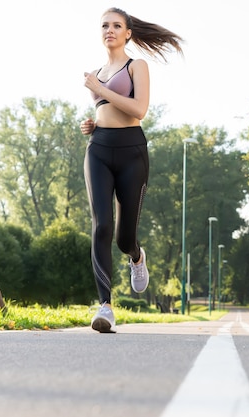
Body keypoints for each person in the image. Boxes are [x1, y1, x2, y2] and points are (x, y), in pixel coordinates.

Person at [80, 7, 183, 333]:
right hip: (98, 149)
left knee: (124, 238)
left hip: (132, 152)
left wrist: (100, 87)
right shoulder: (97, 73)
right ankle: (105, 307)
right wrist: (92, 124)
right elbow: (106, 110)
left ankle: (136, 257)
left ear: (128, 33)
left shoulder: (136, 65)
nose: (109, 30)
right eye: (104, 26)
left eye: (116, 26)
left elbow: (139, 110)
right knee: (101, 227)